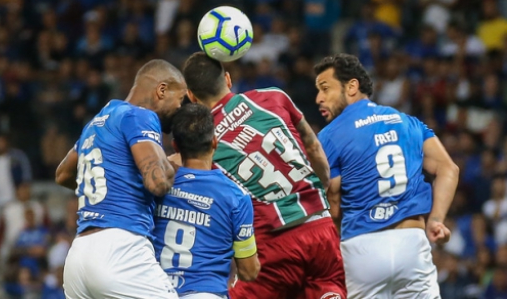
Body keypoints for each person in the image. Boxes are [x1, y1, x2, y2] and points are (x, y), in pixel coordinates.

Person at [181, 52, 346, 299]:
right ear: (228, 79)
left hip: (276, 244)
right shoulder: (275, 97)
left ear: (192, 97)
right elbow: (312, 145)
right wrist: (318, 191)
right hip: (321, 228)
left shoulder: (204, 140)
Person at [314, 53, 459, 299]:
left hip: (362, 248)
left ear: (352, 86)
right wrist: (436, 219)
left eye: (325, 88)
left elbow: (334, 206)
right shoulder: (408, 122)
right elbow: (449, 169)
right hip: (412, 242)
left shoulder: (329, 136)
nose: (319, 98)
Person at [55, 59, 186, 299]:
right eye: (179, 101)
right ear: (162, 90)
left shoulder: (98, 121)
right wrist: (179, 165)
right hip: (120, 249)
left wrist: (115, 182)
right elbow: (157, 182)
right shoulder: (140, 116)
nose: (179, 110)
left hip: (78, 258)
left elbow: (63, 174)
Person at [153, 103, 260, 299]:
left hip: (155, 291)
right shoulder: (236, 196)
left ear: (175, 145)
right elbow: (249, 271)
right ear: (214, 142)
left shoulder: (156, 187)